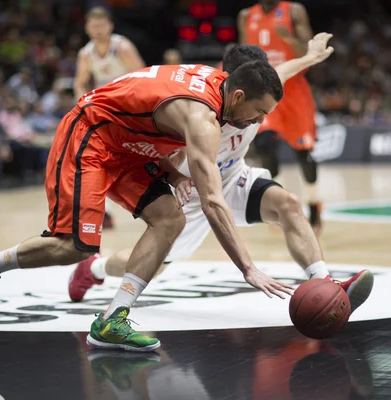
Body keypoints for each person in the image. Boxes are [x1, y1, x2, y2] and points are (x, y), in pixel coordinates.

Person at [0, 56, 292, 353]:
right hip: (92, 135)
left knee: (170, 219)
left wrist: (173, 174)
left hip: (128, 143)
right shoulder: (203, 118)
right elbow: (214, 203)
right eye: (259, 112)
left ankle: (113, 319)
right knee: (75, 247)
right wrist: (248, 268)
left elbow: (152, 112)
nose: (259, 121)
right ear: (238, 96)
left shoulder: (218, 83)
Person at [68, 35, 374, 320]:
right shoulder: (198, 113)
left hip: (232, 177)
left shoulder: (259, 89)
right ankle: (94, 268)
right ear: (235, 87)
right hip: (194, 195)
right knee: (154, 266)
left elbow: (284, 70)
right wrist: (170, 169)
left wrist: (310, 56)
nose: (260, 117)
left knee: (289, 204)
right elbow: (150, 145)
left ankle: (325, 282)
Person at [238, 0, 322, 230]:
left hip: (294, 91)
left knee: (303, 153)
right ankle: (280, 206)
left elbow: (309, 53)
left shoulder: (294, 11)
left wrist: (288, 38)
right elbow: (243, 56)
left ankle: (314, 206)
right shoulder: (246, 15)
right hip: (263, 91)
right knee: (265, 146)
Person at [74, 6, 146, 228]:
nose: (97, 30)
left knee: (141, 157)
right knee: (96, 158)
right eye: (93, 26)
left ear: (110, 26)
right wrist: (82, 104)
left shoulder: (121, 47)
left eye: (101, 25)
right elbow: (79, 82)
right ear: (87, 28)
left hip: (128, 108)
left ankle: (156, 201)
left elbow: (143, 73)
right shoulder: (86, 53)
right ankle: (104, 212)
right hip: (104, 112)